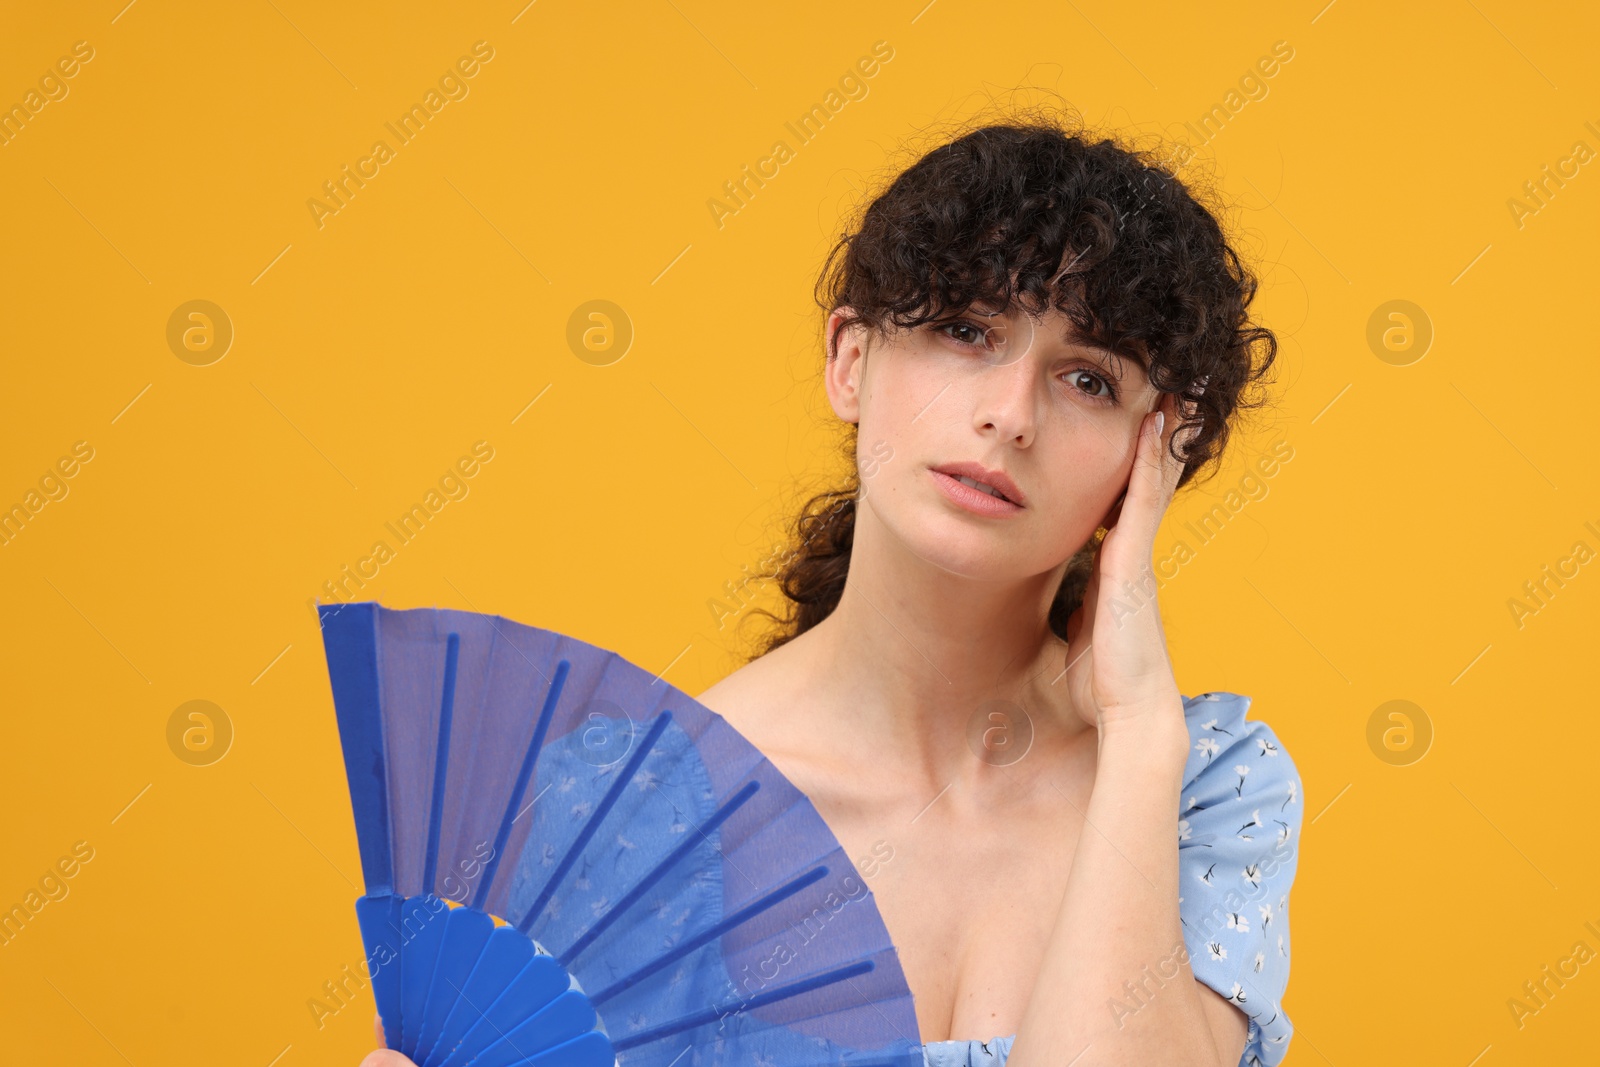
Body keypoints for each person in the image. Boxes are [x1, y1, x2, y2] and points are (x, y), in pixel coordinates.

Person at [359, 107, 1301, 1067]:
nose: (1009, 415)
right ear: (850, 361)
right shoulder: (630, 813)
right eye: (965, 329)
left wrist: (1140, 728)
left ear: (1160, 453)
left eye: (1091, 380)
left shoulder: (1201, 788)